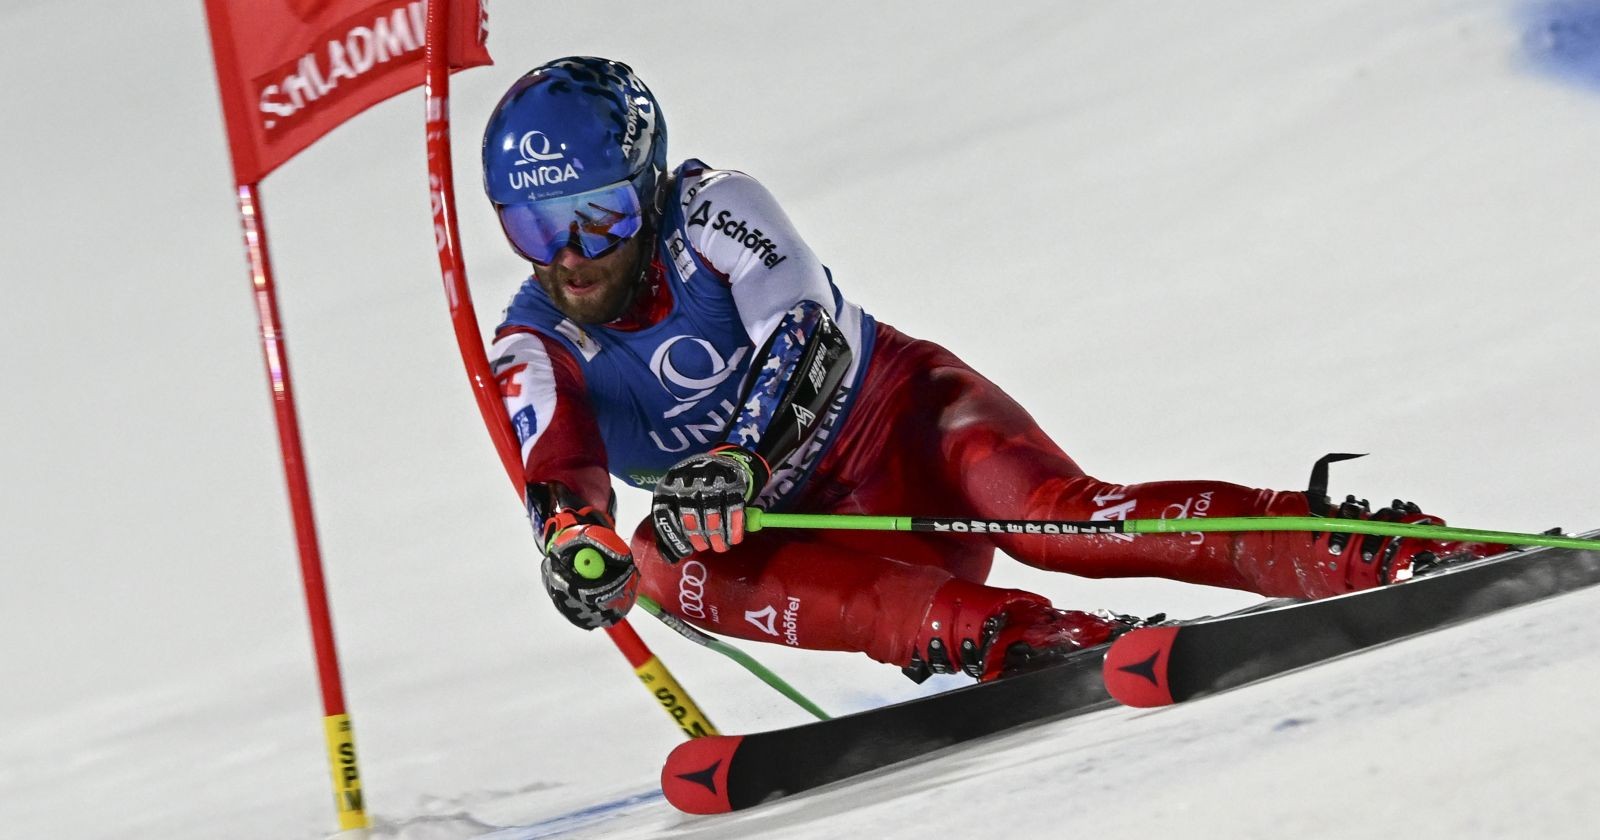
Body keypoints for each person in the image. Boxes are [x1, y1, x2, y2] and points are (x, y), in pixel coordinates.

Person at [479, 56, 1492, 683]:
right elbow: (560, 477)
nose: (571, 258)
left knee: (1064, 521)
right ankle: (1024, 638)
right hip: (826, 548)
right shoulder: (534, 342)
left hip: (902, 426)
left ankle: (1361, 550)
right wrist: (577, 550)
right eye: (534, 228)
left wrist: (740, 458)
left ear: (649, 187)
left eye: (597, 217)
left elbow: (804, 332)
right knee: (662, 563)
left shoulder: (715, 209)